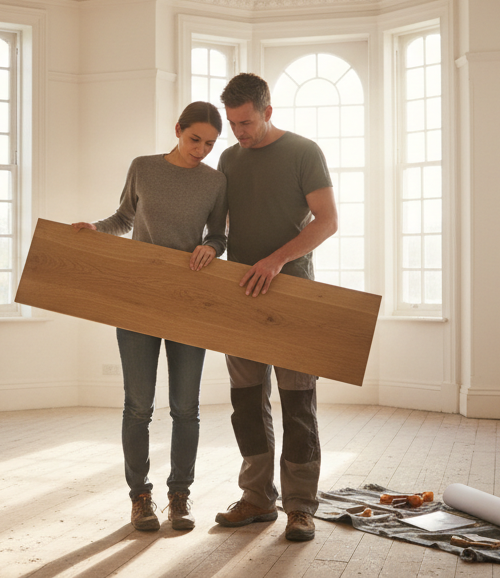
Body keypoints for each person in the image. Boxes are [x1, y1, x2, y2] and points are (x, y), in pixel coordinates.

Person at [72, 101, 228, 533]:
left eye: (210, 144)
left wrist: (212, 247)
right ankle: (140, 497)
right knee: (138, 406)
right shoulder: (143, 167)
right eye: (194, 139)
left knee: (186, 408)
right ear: (178, 129)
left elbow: (218, 233)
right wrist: (95, 231)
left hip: (188, 301)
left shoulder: (216, 182)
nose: (200, 150)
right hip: (138, 298)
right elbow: (124, 216)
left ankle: (180, 495)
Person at [212, 72, 338, 543]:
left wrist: (276, 260)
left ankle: (301, 507)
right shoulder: (228, 157)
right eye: (232, 124)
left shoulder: (304, 152)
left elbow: (327, 222)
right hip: (240, 295)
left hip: (294, 294)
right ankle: (257, 499)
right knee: (246, 403)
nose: (239, 132)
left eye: (246, 121)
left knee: (298, 403)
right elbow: (217, 225)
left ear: (268, 111)